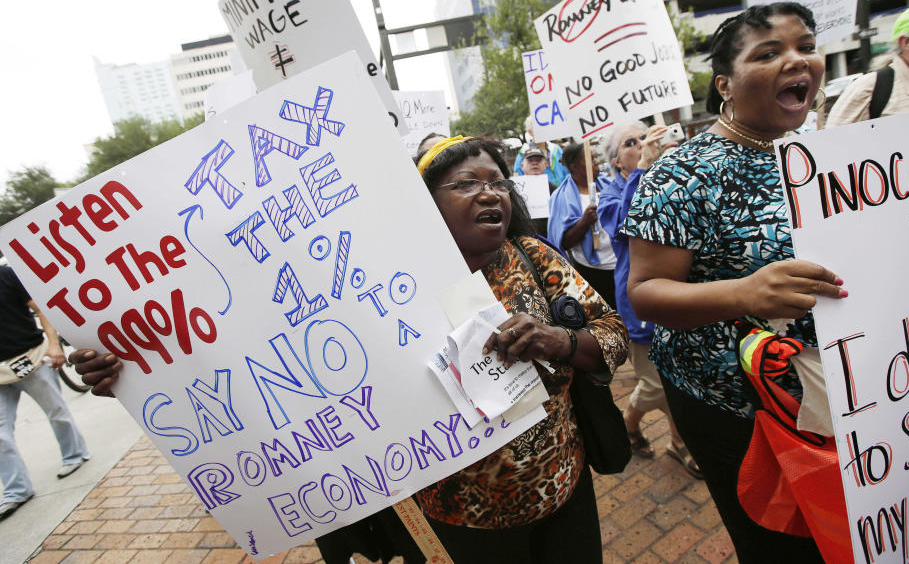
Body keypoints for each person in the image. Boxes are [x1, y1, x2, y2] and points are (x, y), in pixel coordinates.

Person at [74, 136, 629, 564]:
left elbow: (613, 336)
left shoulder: (534, 258)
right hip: (456, 520)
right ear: (425, 203)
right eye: (466, 183)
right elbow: (242, 336)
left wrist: (561, 340)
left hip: (562, 494)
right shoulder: (367, 282)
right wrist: (130, 366)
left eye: (498, 181)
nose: (491, 193)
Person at [623, 3, 847, 563]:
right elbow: (646, 292)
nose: (797, 61)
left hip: (840, 393)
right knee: (784, 546)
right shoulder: (684, 172)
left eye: (805, 46)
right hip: (740, 408)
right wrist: (744, 294)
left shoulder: (824, 152)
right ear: (724, 83)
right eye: (768, 53)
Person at [597, 122, 700, 478]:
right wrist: (642, 171)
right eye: (631, 143)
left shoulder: (667, 177)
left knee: (678, 375)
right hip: (641, 302)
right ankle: (632, 422)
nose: (642, 145)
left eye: (645, 138)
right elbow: (627, 222)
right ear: (616, 161)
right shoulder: (609, 195)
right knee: (656, 383)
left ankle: (677, 441)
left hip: (679, 291)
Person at [0, 264, 90, 520]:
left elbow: (40, 308)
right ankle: (16, 491)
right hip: (0, 373)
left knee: (56, 411)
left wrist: (53, 344)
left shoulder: (5, 275)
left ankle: (75, 455)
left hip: (33, 357)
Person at [547, 142, 617, 309]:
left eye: (595, 157)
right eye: (591, 158)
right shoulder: (562, 197)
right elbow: (563, 243)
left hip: (622, 265)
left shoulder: (610, 186)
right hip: (593, 272)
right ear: (574, 166)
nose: (597, 162)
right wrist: (584, 222)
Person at [513, 116, 569, 187]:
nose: (542, 131)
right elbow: (517, 179)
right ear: (530, 132)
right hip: (539, 194)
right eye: (538, 129)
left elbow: (567, 171)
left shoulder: (556, 149)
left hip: (561, 193)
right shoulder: (523, 153)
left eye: (544, 128)